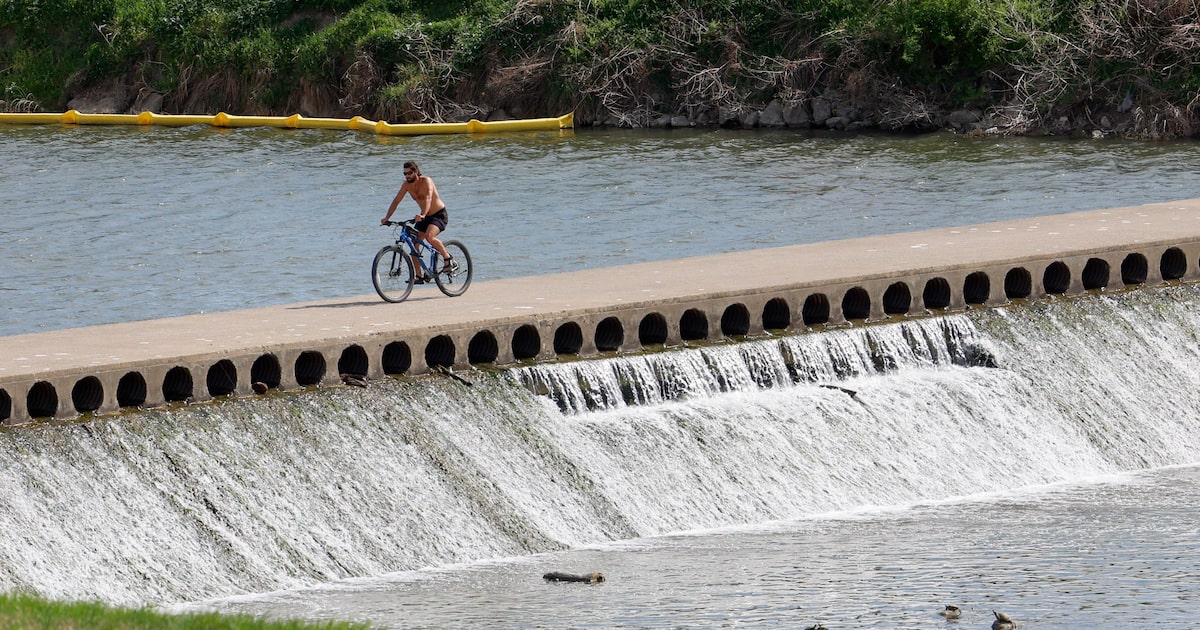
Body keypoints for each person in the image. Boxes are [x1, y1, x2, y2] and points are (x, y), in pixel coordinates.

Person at [380, 160, 457, 282]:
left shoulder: (426, 181)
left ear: (416, 171)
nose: (407, 176)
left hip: (438, 215)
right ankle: (419, 275)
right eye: (404, 174)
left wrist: (423, 214)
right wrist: (387, 217)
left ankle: (447, 258)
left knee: (429, 237)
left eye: (409, 173)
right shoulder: (406, 185)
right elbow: (396, 201)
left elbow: (428, 198)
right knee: (414, 247)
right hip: (424, 217)